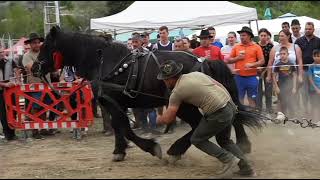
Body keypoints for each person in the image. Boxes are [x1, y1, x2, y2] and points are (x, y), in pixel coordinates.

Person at [156, 60, 256, 177]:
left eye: (164, 79)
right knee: (224, 140)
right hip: (229, 106)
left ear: (169, 79)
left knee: (197, 139)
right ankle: (246, 168)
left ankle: (228, 159)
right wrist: (231, 106)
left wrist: (160, 119)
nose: (164, 82)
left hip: (218, 113)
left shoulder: (176, 92)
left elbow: (169, 119)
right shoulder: (196, 74)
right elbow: (219, 85)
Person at [22, 32, 51, 139]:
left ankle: (42, 128)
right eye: (34, 43)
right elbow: (31, 67)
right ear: (29, 44)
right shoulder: (26, 56)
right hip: (34, 85)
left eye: (38, 42)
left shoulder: (45, 54)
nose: (37, 44)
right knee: (36, 107)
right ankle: (35, 130)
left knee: (45, 106)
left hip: (46, 84)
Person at [228, 26, 265, 108]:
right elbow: (229, 60)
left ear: (249, 36)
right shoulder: (236, 46)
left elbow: (262, 61)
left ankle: (253, 117)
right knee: (239, 98)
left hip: (252, 77)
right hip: (239, 77)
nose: (241, 37)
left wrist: (252, 65)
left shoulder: (256, 47)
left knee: (252, 99)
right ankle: (242, 118)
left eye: (244, 35)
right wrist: (238, 58)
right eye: (241, 35)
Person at [295, 22, 320, 117]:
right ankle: (306, 111)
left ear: (313, 29)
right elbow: (298, 57)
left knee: (314, 91)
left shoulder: (318, 40)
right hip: (304, 70)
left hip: (316, 70)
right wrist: (299, 73)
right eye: (306, 29)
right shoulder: (299, 41)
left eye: (309, 29)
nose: (307, 30)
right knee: (304, 92)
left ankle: (316, 111)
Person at [272, 47, 297, 117]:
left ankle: (292, 117)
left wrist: (294, 87)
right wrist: (276, 87)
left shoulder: (291, 63)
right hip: (281, 86)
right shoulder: (277, 64)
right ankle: (283, 117)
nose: (282, 55)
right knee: (283, 102)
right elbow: (274, 76)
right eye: (281, 54)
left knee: (291, 102)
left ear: (288, 54)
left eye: (284, 54)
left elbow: (295, 75)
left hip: (290, 85)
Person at [0, 49, 18, 141]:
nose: (1, 54)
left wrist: (16, 80)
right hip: (1, 90)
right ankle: (7, 134)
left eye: (2, 51)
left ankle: (13, 132)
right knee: (3, 113)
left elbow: (16, 70)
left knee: (13, 110)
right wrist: (4, 84)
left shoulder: (10, 61)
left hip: (10, 90)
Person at [256, 28, 274, 113]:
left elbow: (271, 60)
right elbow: (253, 59)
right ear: (259, 36)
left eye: (265, 35)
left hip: (268, 70)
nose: (263, 37)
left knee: (268, 91)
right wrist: (257, 67)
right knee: (258, 91)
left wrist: (266, 71)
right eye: (261, 35)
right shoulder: (255, 45)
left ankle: (269, 109)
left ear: (267, 36)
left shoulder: (270, 46)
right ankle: (259, 109)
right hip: (257, 70)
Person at [308, 49, 320, 123]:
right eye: (315, 56)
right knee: (315, 106)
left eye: (318, 56)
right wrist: (316, 89)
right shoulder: (311, 66)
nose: (316, 58)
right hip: (314, 90)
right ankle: (315, 121)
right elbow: (310, 79)